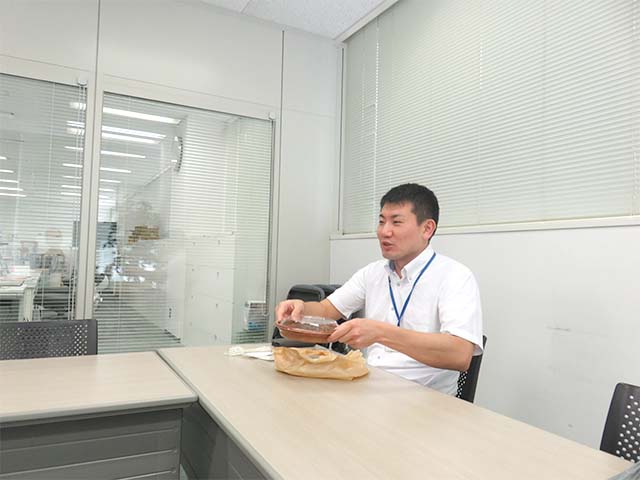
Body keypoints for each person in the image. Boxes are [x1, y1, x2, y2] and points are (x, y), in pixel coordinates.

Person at [275, 183, 483, 395]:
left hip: (426, 399)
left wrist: (380, 333)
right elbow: (326, 310)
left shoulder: (455, 276)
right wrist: (301, 309)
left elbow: (460, 354)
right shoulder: (372, 273)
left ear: (427, 229)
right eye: (382, 221)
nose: (384, 232)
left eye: (397, 222)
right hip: (369, 388)